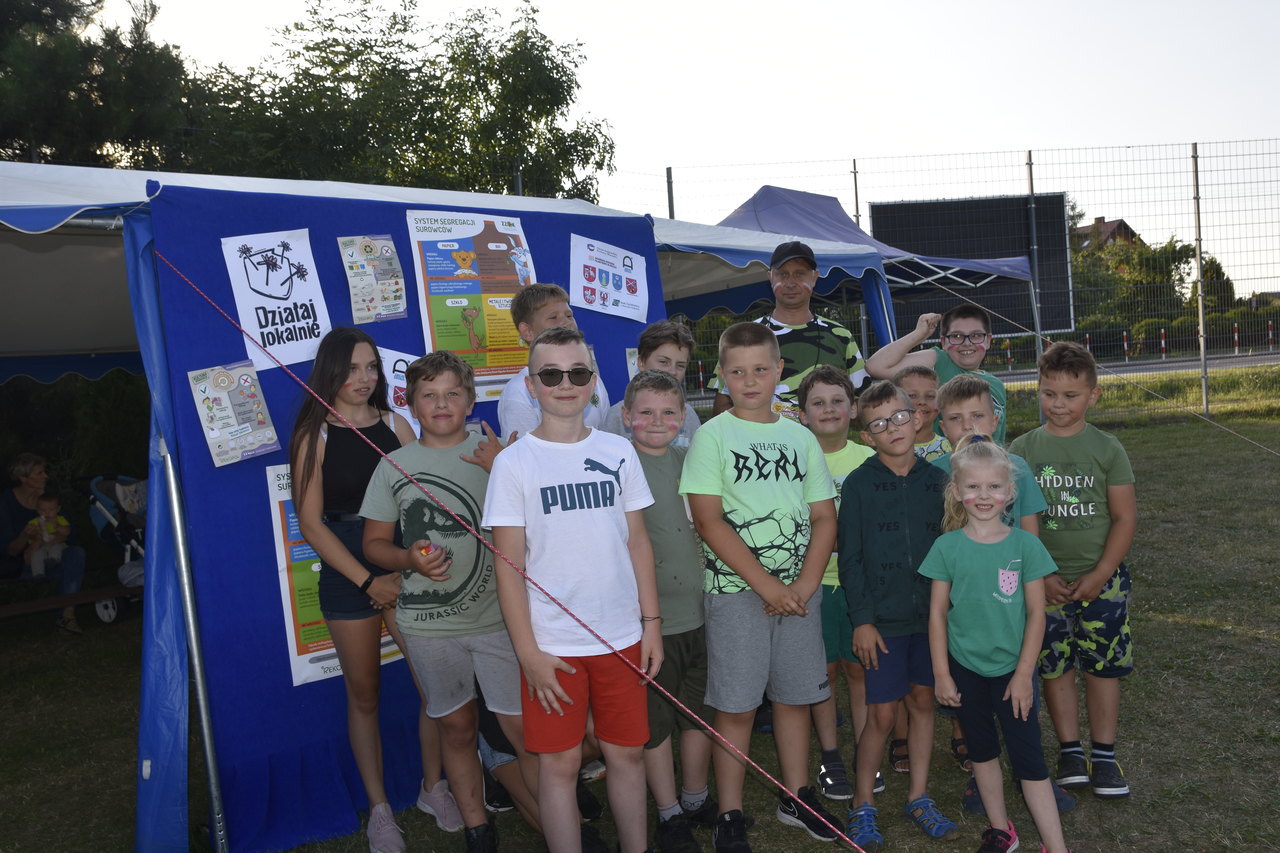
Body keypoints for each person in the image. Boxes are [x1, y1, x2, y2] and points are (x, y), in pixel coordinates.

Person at [484, 326, 662, 853]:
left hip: (622, 637)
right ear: (531, 384)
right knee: (559, 763)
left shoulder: (619, 452)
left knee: (626, 754)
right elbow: (508, 566)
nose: (566, 383)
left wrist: (651, 626)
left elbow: (638, 544)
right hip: (552, 648)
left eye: (578, 373)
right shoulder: (513, 463)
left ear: (593, 381)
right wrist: (529, 654)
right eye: (551, 374)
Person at [289, 327, 460, 853]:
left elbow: (427, 493)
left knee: (435, 687)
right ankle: (380, 810)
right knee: (364, 694)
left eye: (371, 368)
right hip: (347, 572)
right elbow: (311, 525)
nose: (363, 379)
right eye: (352, 368)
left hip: (405, 565)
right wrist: (367, 580)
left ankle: (434, 787)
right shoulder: (313, 435)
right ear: (330, 371)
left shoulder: (396, 425)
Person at [360, 350, 535, 853]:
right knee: (456, 726)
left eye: (452, 393)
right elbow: (373, 544)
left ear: (471, 399)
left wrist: (502, 464)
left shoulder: (496, 451)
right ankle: (477, 825)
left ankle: (558, 809)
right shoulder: (395, 464)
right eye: (429, 395)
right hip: (430, 626)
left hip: (501, 619)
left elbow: (534, 524)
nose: (442, 403)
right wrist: (408, 560)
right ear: (411, 405)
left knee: (521, 728)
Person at [681, 321, 841, 852]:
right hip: (737, 594)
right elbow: (709, 521)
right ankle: (730, 811)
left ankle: (797, 795)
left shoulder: (800, 436)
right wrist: (767, 585)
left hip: (799, 592)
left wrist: (805, 583)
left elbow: (823, 517)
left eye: (760, 370)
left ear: (778, 372)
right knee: (737, 706)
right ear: (721, 376)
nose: (750, 380)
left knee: (796, 697)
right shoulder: (713, 436)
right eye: (737, 371)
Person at [919, 437, 1074, 853]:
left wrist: (1024, 675)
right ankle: (1002, 830)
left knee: (1029, 762)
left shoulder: (1026, 546)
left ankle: (1056, 847)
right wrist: (941, 673)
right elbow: (936, 614)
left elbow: (1037, 614)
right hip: (965, 669)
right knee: (983, 753)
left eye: (993, 487)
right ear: (956, 491)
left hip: (1013, 672)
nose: (983, 496)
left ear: (1010, 493)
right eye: (973, 487)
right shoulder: (946, 548)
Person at [1009, 341, 1137, 800]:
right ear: (1037, 391)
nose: (1058, 404)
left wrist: (1102, 573)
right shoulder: (1021, 451)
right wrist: (1040, 575)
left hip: (1102, 581)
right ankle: (1070, 751)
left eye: (1070, 395)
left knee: (1102, 668)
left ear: (1093, 396)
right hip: (1044, 584)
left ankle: (1104, 755)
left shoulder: (1107, 448)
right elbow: (1019, 524)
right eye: (1048, 393)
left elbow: (1124, 517)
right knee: (1054, 665)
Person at [837, 380, 959, 851]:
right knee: (883, 715)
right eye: (880, 423)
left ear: (919, 416)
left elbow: (954, 549)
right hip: (882, 624)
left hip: (929, 621)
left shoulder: (938, 481)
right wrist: (863, 620)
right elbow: (850, 559)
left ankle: (919, 796)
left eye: (901, 416)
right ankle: (862, 803)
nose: (895, 428)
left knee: (924, 703)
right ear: (867, 435)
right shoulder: (860, 484)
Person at [619, 369, 715, 852]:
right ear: (626, 416)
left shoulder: (692, 460)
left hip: (701, 614)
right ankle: (668, 812)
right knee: (655, 724)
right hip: (649, 625)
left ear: (683, 417)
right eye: (646, 413)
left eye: (669, 412)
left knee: (697, 714)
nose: (658, 422)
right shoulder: (618, 465)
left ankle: (695, 797)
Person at [794, 365, 875, 803]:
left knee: (859, 670)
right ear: (802, 414)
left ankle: (867, 751)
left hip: (858, 585)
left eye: (837, 401)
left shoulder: (867, 458)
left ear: (854, 408)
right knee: (822, 673)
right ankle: (831, 755)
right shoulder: (794, 459)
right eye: (818, 403)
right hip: (813, 585)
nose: (829, 409)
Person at [708, 241, 868, 421]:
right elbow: (722, 406)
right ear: (770, 277)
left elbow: (860, 404)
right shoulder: (746, 335)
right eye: (782, 274)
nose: (790, 283)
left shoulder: (840, 336)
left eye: (800, 274)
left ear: (814, 278)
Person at [866, 305, 1008, 444]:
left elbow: (999, 439)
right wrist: (918, 335)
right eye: (957, 336)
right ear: (943, 342)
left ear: (988, 340)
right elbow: (876, 366)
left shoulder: (996, 385)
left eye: (976, 335)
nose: (967, 343)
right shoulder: (939, 361)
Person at [497, 283, 610, 438]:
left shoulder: (590, 379)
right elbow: (524, 454)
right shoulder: (518, 391)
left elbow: (603, 438)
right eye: (553, 317)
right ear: (528, 331)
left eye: (569, 315)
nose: (567, 323)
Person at [0, 454, 87, 633]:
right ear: (23, 478)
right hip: (24, 566)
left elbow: (70, 533)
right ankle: (63, 614)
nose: (45, 476)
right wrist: (25, 536)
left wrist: (39, 542)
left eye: (44, 472)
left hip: (53, 556)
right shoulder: (6, 501)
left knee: (76, 554)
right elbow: (10, 550)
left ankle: (67, 616)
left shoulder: (50, 496)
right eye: (39, 473)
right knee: (62, 562)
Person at [602, 320, 702, 448]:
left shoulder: (689, 416)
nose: (672, 371)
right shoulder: (616, 417)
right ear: (641, 362)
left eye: (680, 365)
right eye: (663, 362)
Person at [893, 366, 951, 461]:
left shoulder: (952, 449)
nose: (922, 402)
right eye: (912, 395)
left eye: (930, 396)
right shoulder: (889, 450)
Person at [24, 491, 71, 579]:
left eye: (51, 510)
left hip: (57, 544)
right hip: (42, 547)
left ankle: (53, 560)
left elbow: (67, 532)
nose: (47, 513)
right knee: (36, 555)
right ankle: (38, 574)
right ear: (38, 510)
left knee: (57, 547)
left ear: (58, 509)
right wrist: (32, 533)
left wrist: (57, 526)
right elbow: (30, 536)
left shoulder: (60, 519)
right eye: (43, 510)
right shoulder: (35, 522)